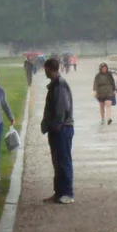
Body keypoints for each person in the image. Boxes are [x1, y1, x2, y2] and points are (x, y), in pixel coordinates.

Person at [40, 56, 74, 204]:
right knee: (57, 162)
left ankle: (67, 192)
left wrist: (55, 126)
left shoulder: (59, 86)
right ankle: (59, 192)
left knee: (63, 161)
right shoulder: (55, 85)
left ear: (48, 69)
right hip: (58, 128)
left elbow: (61, 109)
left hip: (62, 128)